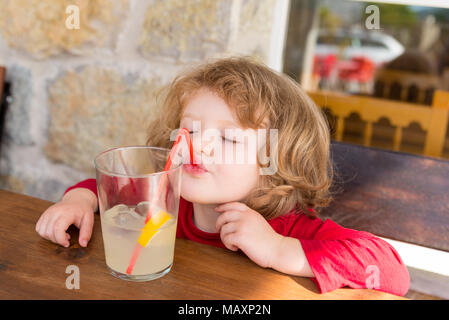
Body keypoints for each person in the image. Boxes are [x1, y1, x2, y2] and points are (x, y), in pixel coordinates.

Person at [35, 56, 410, 295]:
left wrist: (282, 251)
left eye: (229, 137)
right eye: (191, 131)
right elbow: (115, 193)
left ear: (273, 160)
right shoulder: (165, 202)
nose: (201, 147)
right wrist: (79, 200)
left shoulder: (289, 229)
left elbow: (391, 271)